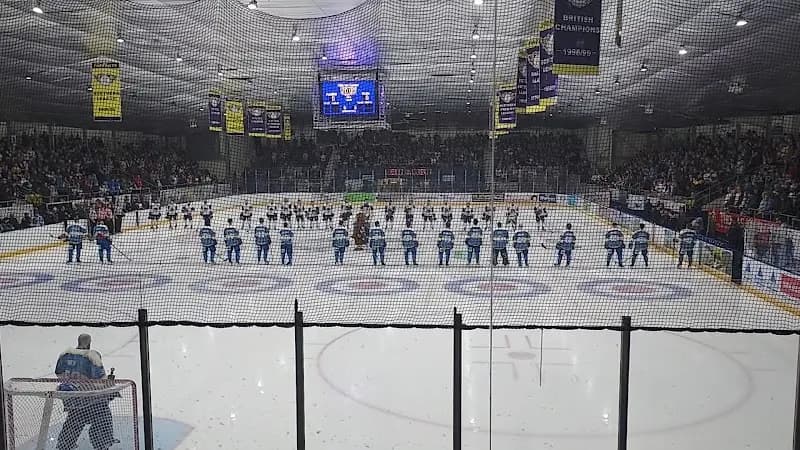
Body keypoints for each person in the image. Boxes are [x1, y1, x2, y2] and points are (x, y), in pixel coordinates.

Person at [55, 334, 116, 450]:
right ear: (89, 343)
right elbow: (100, 381)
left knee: (73, 422)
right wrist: (109, 386)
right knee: (102, 417)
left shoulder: (64, 355)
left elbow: (58, 373)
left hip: (72, 400)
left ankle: (64, 445)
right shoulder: (91, 356)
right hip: (91, 401)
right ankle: (102, 444)